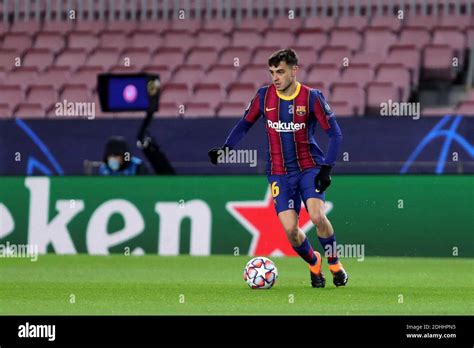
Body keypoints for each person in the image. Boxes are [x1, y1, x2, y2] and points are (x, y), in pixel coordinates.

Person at [208, 48, 348, 288]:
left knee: (317, 216)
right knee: (291, 231)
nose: (275, 77)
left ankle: (334, 264)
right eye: (272, 72)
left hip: (309, 167)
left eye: (280, 72)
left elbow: (335, 133)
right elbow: (244, 124)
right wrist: (226, 148)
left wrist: (327, 168)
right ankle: (314, 263)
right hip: (279, 172)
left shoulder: (311, 97)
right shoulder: (264, 97)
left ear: (294, 70)